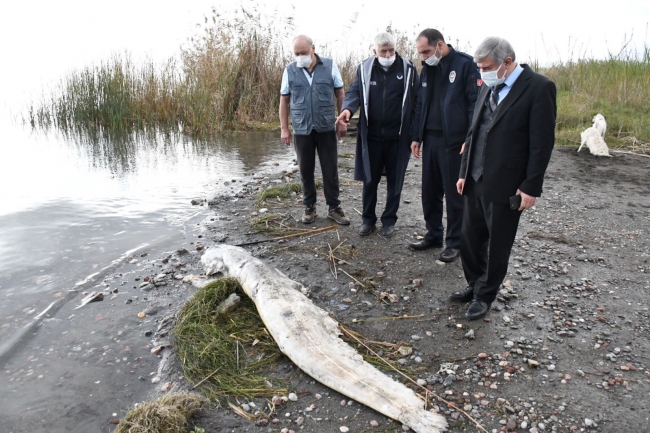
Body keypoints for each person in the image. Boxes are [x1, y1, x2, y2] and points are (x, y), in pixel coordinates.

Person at [452, 37, 557, 320]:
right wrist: (464, 172)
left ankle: (485, 295)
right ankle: (474, 284)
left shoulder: (539, 88)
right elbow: (474, 132)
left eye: (486, 67)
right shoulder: (490, 86)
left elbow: (542, 143)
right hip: (475, 179)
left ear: (507, 62)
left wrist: (531, 186)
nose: (481, 72)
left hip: (507, 183)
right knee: (469, 240)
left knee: (498, 244)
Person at [335, 32, 419, 238]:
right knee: (369, 180)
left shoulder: (408, 69)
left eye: (391, 50)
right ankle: (367, 219)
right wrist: (347, 110)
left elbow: (417, 103)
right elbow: (354, 92)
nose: (388, 54)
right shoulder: (365, 68)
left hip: (398, 138)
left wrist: (416, 135)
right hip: (371, 137)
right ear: (375, 52)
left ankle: (389, 220)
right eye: (384, 51)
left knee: (395, 181)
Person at [409, 29, 479, 262]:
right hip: (431, 140)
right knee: (430, 192)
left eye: (427, 51)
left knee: (454, 194)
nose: (425, 56)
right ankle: (433, 235)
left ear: (440, 44)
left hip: (454, 142)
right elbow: (420, 103)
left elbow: (474, 105)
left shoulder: (465, 65)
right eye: (421, 53)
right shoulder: (427, 68)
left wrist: (469, 139)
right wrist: (416, 136)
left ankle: (455, 242)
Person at [279, 35, 350, 225]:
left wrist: (342, 121)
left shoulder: (329, 65)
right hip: (302, 129)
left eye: (303, 52)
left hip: (326, 127)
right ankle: (309, 206)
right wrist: (284, 128)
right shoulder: (289, 70)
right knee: (305, 170)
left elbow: (340, 93)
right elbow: (284, 100)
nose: (300, 56)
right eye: (297, 53)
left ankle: (334, 208)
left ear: (313, 48)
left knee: (330, 169)